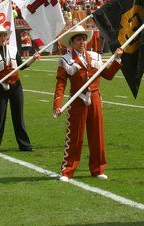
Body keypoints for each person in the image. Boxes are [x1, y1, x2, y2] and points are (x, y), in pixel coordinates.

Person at [53, 25, 123, 182]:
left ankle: (98, 168)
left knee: (97, 134)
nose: (82, 42)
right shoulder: (65, 59)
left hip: (95, 98)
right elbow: (60, 84)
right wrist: (57, 105)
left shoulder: (96, 56)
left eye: (84, 39)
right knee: (75, 136)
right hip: (77, 100)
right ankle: (67, 170)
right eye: (78, 39)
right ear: (71, 42)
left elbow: (109, 75)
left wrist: (117, 59)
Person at [0, 25, 39, 154]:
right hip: (1, 88)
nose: (2, 37)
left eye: (4, 35)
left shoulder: (13, 49)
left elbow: (22, 66)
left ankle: (24, 144)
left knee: (18, 116)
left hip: (16, 86)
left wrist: (33, 58)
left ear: (7, 37)